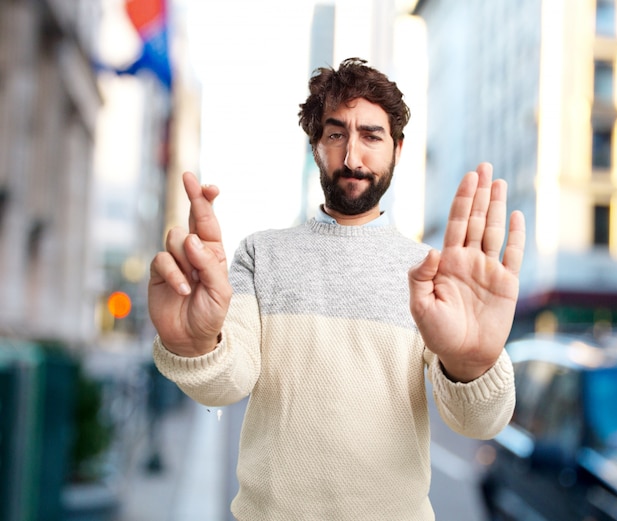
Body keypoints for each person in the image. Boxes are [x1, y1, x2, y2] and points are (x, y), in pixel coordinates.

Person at [148, 58, 526, 520]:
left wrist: (472, 363)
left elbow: (479, 422)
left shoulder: (431, 273)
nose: (352, 157)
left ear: (398, 150)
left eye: (371, 136)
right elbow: (230, 381)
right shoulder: (260, 255)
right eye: (335, 134)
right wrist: (193, 344)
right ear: (315, 147)